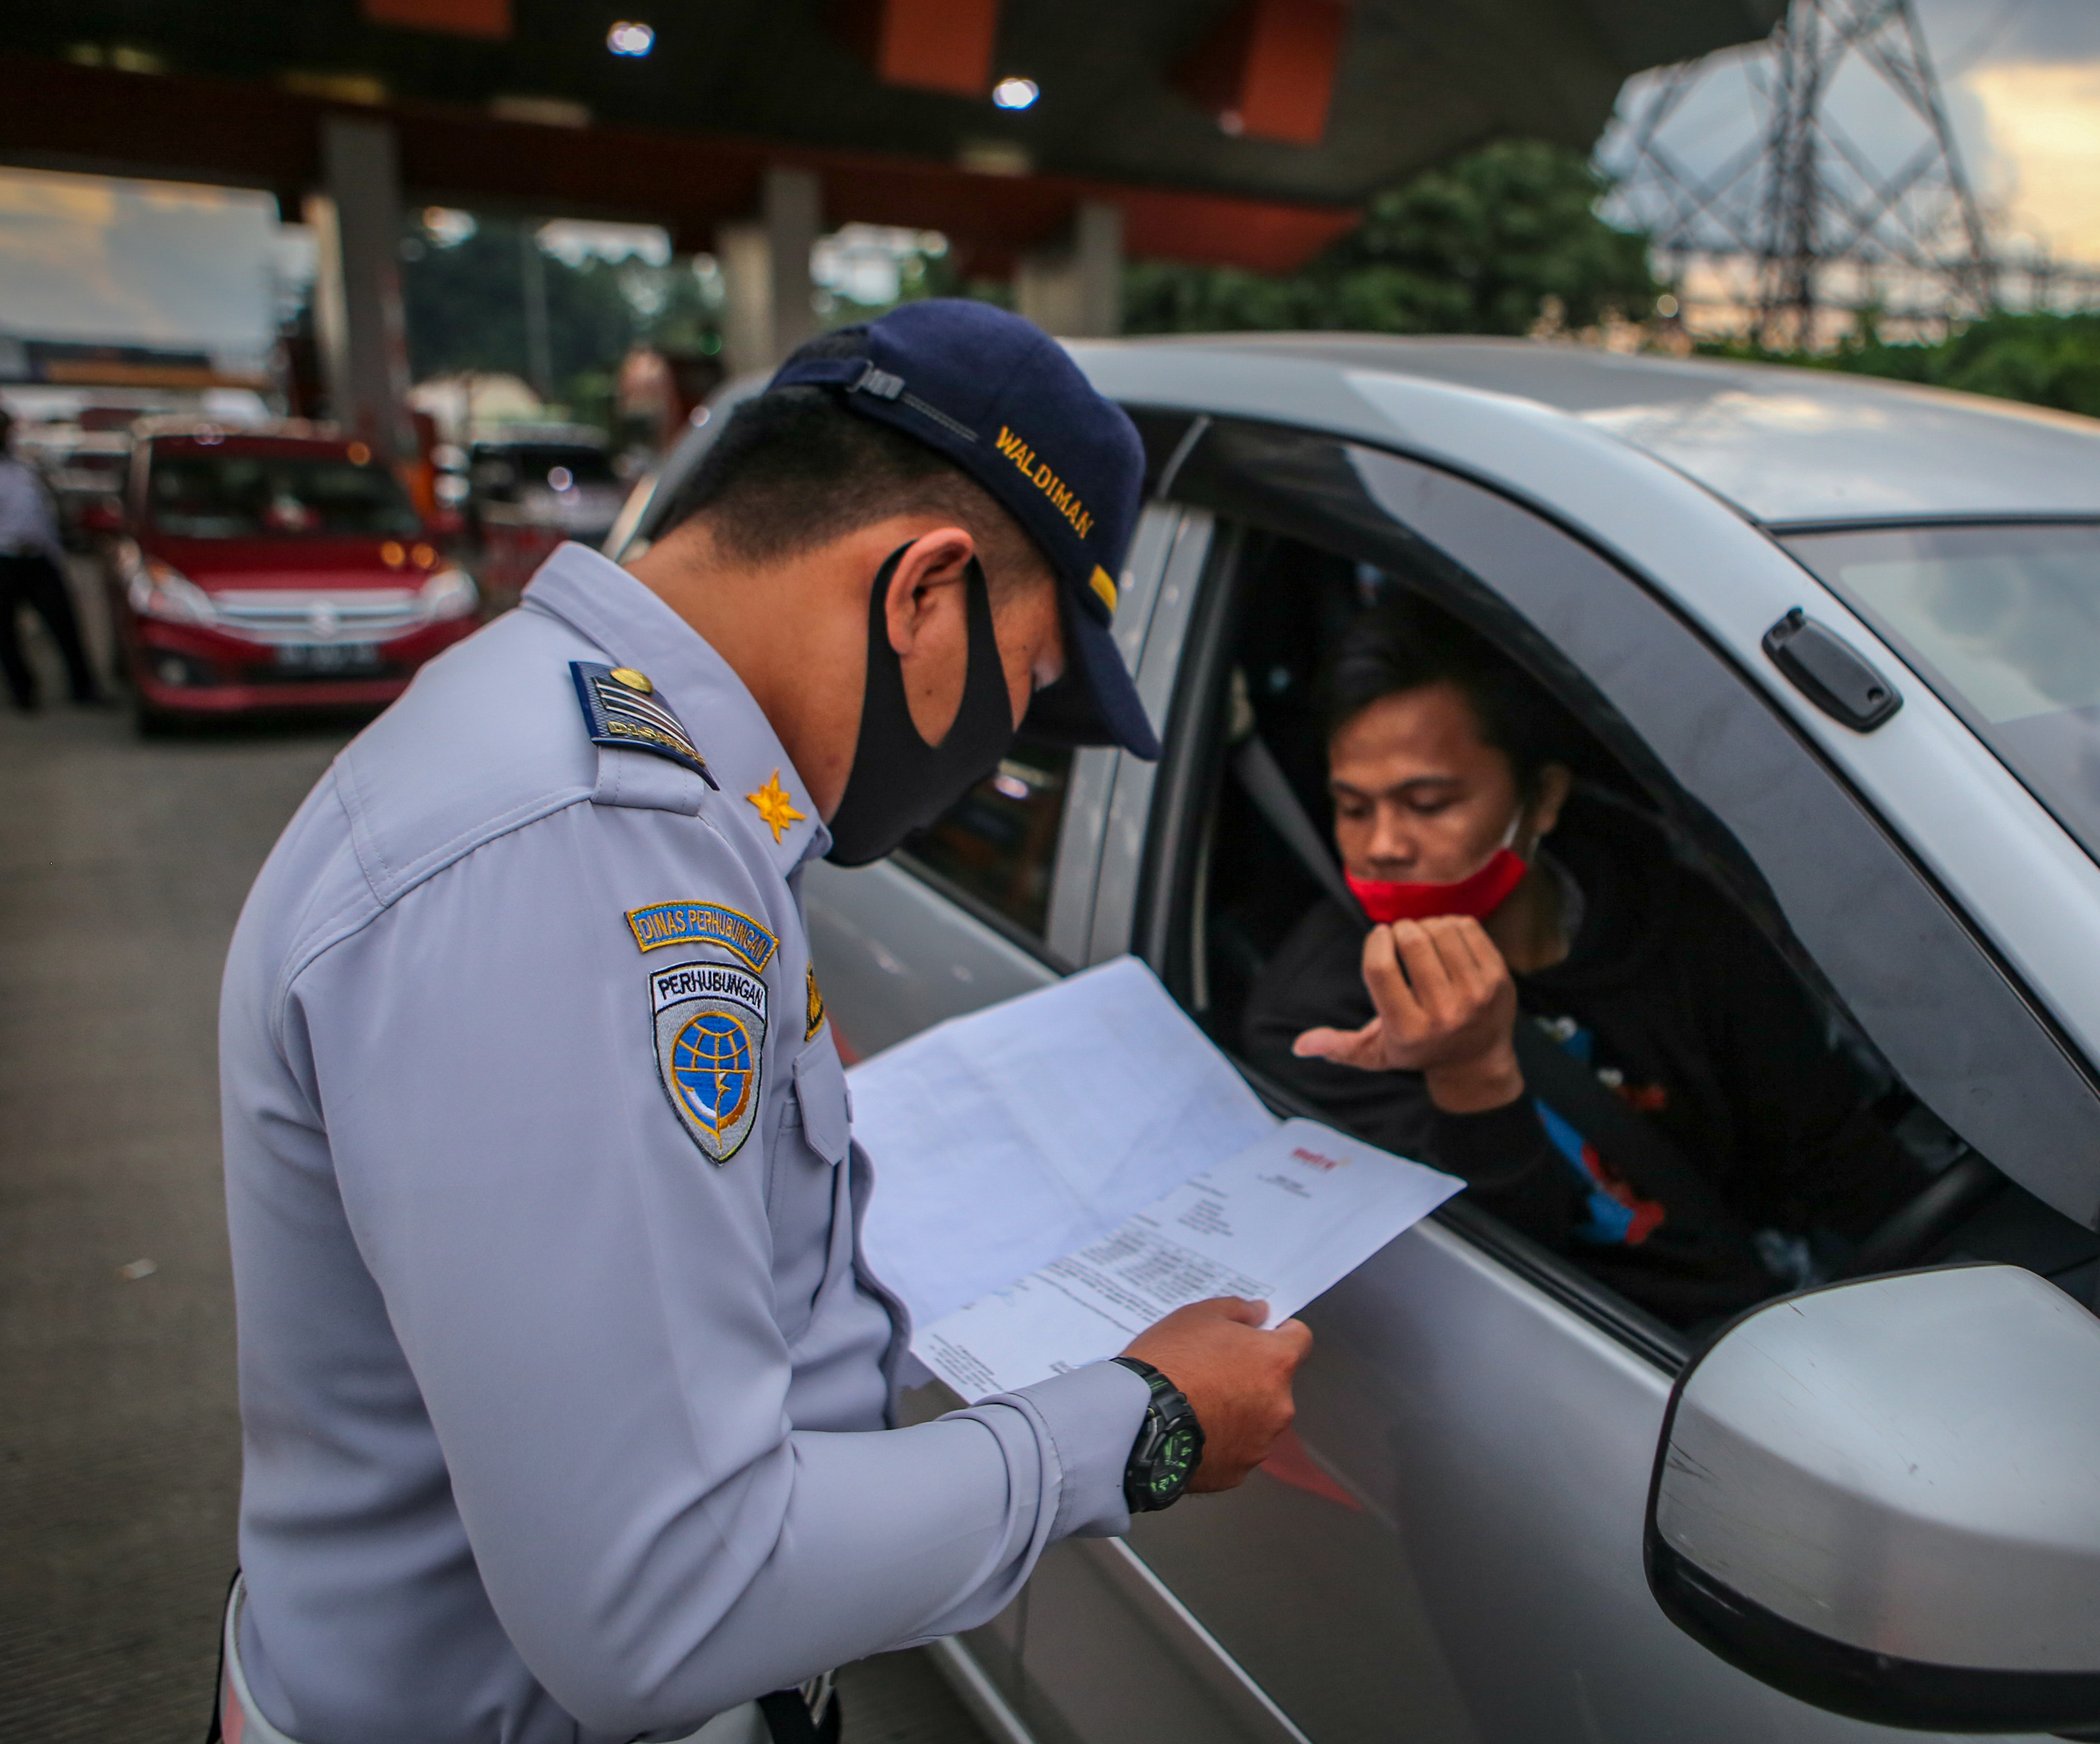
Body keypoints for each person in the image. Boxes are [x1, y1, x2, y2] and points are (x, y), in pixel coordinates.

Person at [215, 303, 1309, 1744]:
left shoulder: (596, 750)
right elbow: (669, 1595)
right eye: (1026, 687)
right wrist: (1142, 1420)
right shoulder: (582, 848)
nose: (998, 755)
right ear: (922, 590)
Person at [1241, 592, 1927, 1328]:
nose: (1382, 846)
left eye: (1429, 803)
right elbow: (1483, 1300)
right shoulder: (1319, 1023)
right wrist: (1472, 1077)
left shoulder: (1680, 923)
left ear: (1541, 801)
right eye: (1352, 808)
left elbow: (1828, 1152)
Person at [0, 408, 105, 712]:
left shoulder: (24, 469)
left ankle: (83, 688)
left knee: (64, 624)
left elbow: (42, 513)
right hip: (4, 559)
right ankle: (23, 693)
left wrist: (55, 549)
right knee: (6, 634)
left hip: (38, 557)